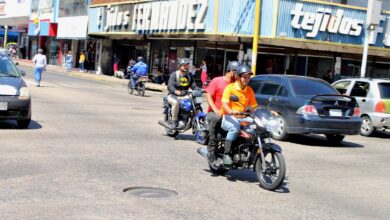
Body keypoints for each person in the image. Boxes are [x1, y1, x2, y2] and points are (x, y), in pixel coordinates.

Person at [220, 65, 258, 165]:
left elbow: (254, 106)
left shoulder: (249, 90)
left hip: (243, 118)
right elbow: (224, 103)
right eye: (244, 77)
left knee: (256, 129)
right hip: (229, 117)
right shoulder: (230, 88)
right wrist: (231, 111)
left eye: (248, 77)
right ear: (238, 77)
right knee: (235, 127)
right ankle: (226, 154)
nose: (247, 79)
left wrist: (254, 110)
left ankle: (248, 152)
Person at [205, 61, 241, 162]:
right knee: (218, 117)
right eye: (237, 73)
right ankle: (211, 147)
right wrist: (215, 109)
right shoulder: (217, 81)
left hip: (229, 114)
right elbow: (208, 95)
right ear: (231, 71)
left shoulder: (235, 85)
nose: (238, 76)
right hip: (215, 112)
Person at [167, 58, 199, 129]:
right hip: (173, 95)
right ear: (179, 66)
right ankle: (174, 121)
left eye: (187, 65)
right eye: (184, 65)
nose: (186, 67)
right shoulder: (174, 74)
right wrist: (175, 91)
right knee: (176, 103)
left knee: (194, 102)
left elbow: (194, 86)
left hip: (185, 95)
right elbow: (170, 85)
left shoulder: (189, 75)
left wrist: (201, 90)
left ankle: (189, 118)